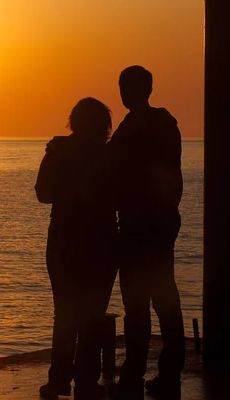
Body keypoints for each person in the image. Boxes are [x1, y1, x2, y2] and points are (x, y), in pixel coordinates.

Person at [109, 66, 185, 400]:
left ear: (126, 91)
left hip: (137, 227)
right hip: (164, 222)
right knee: (165, 299)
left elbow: (114, 172)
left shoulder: (129, 129)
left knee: (137, 304)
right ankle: (170, 375)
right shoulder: (167, 124)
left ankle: (133, 375)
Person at [36, 97, 118, 400]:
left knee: (66, 314)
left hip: (64, 243)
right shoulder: (110, 156)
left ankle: (59, 380)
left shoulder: (58, 151)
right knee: (92, 317)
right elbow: (122, 198)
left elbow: (43, 194)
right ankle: (85, 381)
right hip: (101, 243)